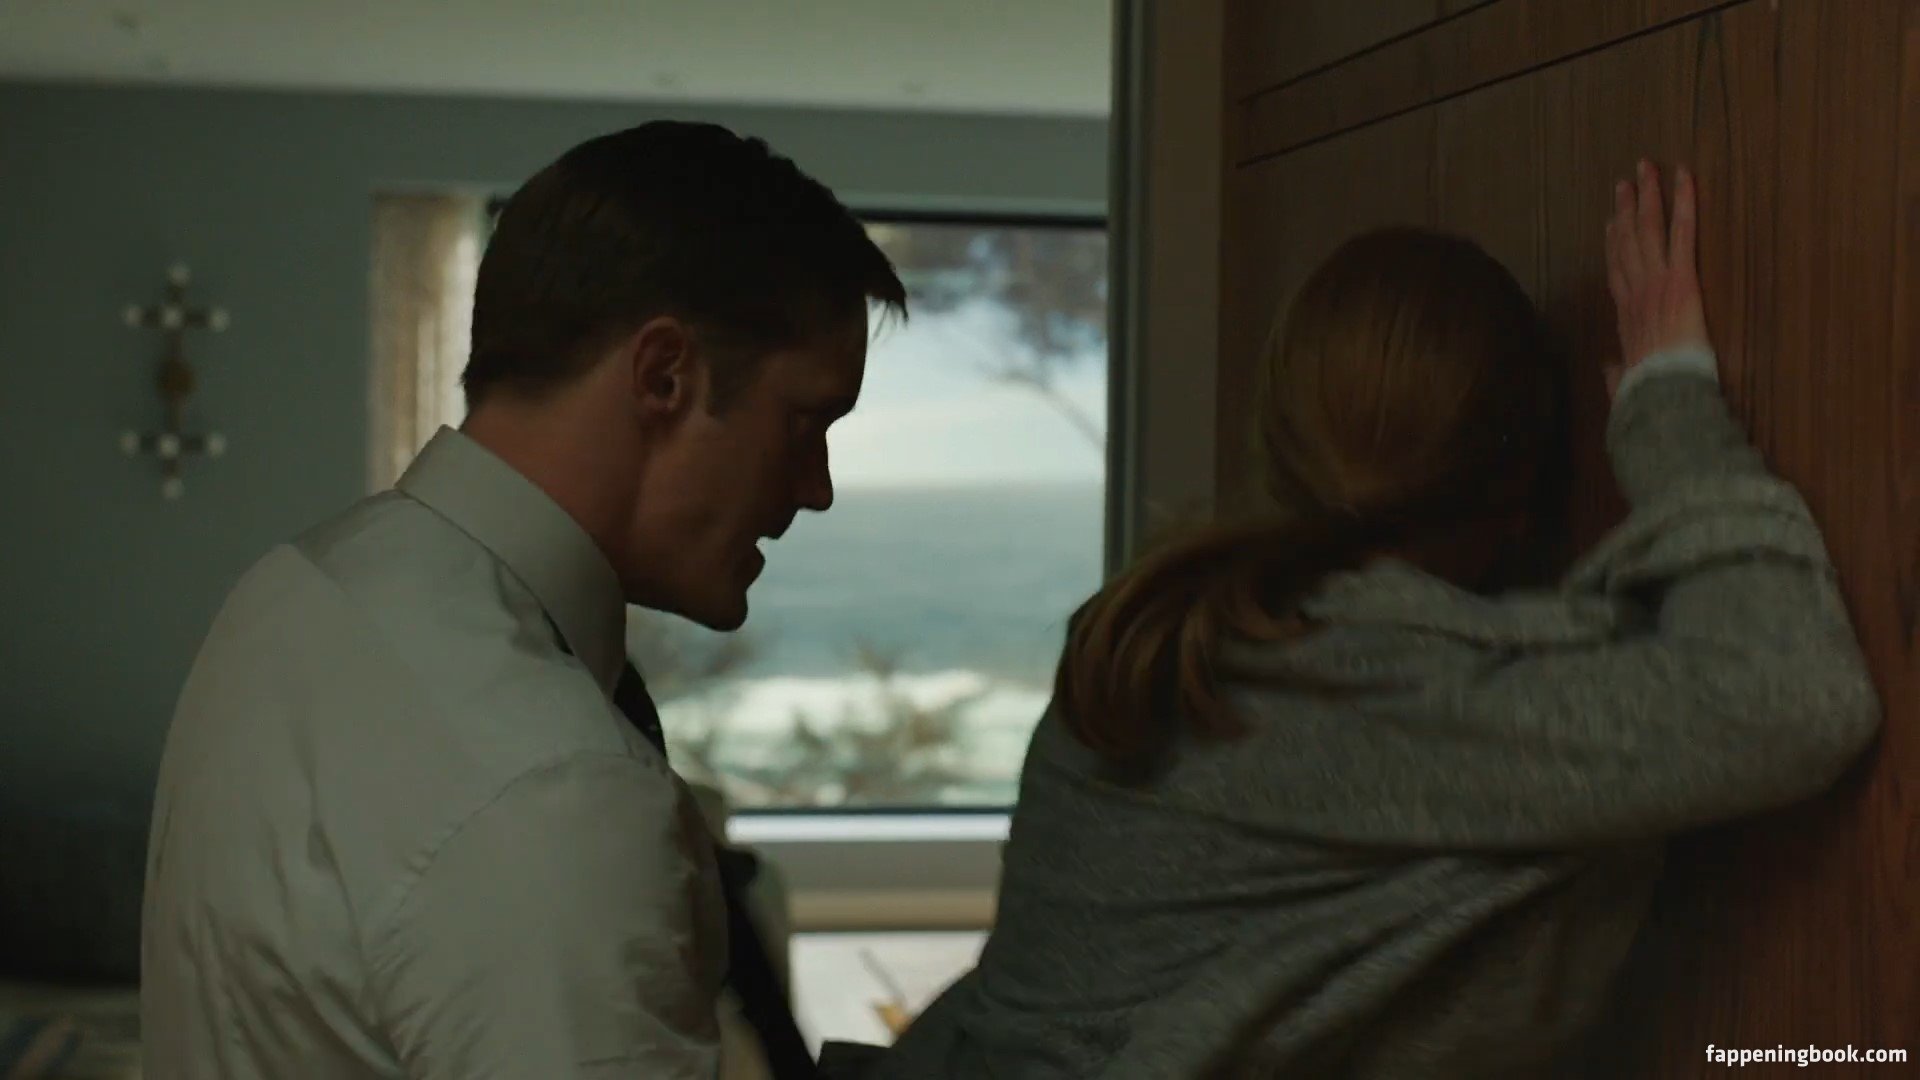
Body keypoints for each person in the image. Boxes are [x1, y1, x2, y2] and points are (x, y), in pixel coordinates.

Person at [853, 163, 1881, 1077]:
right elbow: (1790, 696)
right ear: (1519, 498)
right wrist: (1669, 405)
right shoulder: (1354, 689)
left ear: (1276, 435)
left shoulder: (1166, 637)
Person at [140, 121, 905, 1079]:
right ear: (664, 376)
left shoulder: (295, 590)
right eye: (803, 423)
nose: (817, 487)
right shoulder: (557, 788)